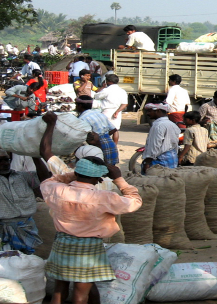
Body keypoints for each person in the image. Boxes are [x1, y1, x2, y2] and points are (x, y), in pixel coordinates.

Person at [40, 113, 142, 304]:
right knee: (80, 294)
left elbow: (48, 181)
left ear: (76, 171)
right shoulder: (104, 197)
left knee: (59, 291)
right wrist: (120, 179)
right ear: (99, 178)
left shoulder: (57, 190)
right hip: (88, 246)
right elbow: (134, 202)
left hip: (62, 242)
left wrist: (71, 176)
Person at [0, 124, 51, 254]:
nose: (4, 163)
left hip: (25, 226)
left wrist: (33, 154)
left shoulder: (22, 176)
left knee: (25, 260)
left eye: (6, 160)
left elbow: (44, 178)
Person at [76, 95, 119, 166]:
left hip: (98, 147)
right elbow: (113, 129)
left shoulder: (82, 119)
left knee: (100, 170)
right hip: (110, 144)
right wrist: (104, 136)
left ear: (80, 106)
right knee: (111, 169)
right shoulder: (99, 114)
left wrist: (97, 138)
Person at [141, 102, 181, 173]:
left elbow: (154, 146)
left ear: (158, 111)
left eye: (150, 111)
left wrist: (147, 162)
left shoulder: (158, 126)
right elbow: (175, 144)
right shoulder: (173, 125)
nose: (147, 113)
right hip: (172, 158)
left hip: (160, 160)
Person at [93, 74, 129, 140]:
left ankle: (106, 143)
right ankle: (114, 146)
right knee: (115, 130)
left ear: (108, 81)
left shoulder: (107, 90)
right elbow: (125, 104)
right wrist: (117, 111)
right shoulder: (122, 91)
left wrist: (103, 87)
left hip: (107, 111)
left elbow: (96, 96)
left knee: (105, 130)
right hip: (117, 112)